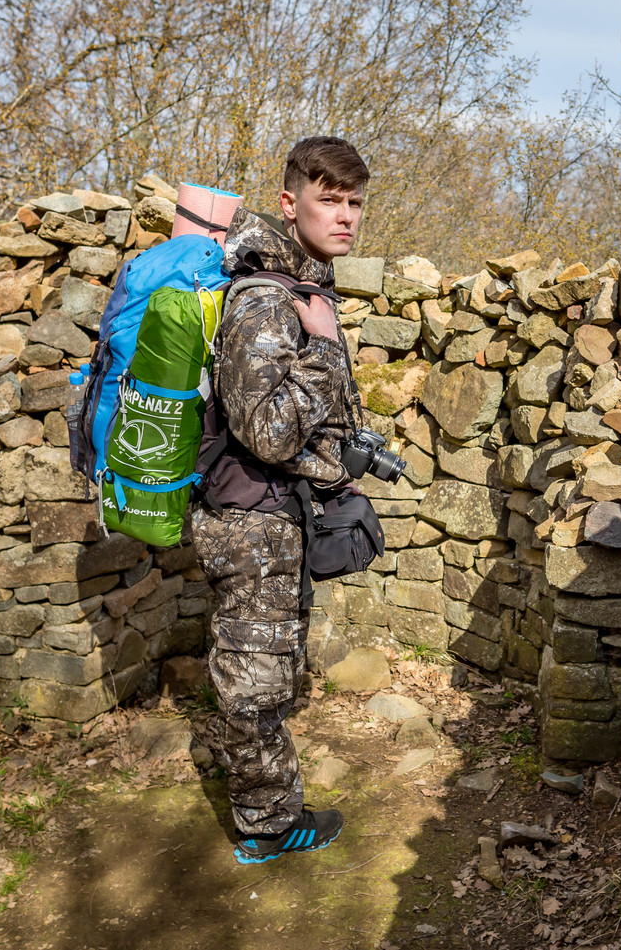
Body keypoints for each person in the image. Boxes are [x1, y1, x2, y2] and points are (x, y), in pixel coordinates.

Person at [190, 136, 366, 864]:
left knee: (268, 669)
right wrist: (324, 350)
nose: (347, 215)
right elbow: (264, 429)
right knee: (254, 683)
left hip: (274, 516)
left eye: (355, 201)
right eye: (330, 199)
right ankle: (266, 825)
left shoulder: (301, 287)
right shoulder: (266, 298)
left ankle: (267, 807)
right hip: (251, 521)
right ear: (291, 204)